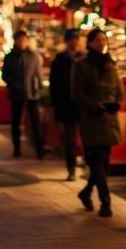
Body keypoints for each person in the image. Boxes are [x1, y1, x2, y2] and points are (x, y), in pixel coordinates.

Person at [71, 29, 124, 218]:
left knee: (103, 165)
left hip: (109, 121)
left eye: (104, 38)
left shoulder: (110, 64)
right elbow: (77, 94)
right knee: (98, 164)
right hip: (92, 122)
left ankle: (85, 193)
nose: (102, 42)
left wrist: (116, 103)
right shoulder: (81, 65)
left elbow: (119, 90)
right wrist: (96, 106)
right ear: (90, 43)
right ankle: (106, 203)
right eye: (98, 39)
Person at [1, 30, 45, 159]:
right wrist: (13, 84)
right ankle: (17, 147)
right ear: (15, 41)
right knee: (15, 122)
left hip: (32, 93)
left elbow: (38, 74)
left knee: (36, 122)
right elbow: (5, 75)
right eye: (19, 40)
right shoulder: (10, 57)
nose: (22, 42)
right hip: (16, 93)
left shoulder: (34, 56)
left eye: (24, 40)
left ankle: (39, 149)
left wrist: (40, 88)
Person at [49, 28, 85, 180]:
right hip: (67, 104)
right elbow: (54, 84)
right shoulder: (60, 59)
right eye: (71, 39)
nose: (74, 41)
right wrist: (55, 104)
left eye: (76, 38)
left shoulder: (85, 58)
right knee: (70, 140)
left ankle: (86, 166)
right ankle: (71, 169)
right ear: (67, 41)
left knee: (86, 138)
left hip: (84, 105)